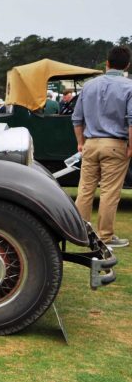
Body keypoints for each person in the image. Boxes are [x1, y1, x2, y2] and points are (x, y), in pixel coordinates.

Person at [72, 45, 132, 249]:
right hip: (115, 143)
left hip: (90, 142)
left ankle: (79, 232)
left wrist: (80, 142)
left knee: (85, 189)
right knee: (109, 192)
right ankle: (105, 236)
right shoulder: (129, 86)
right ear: (127, 65)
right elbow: (131, 120)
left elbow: (76, 118)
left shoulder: (88, 86)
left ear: (106, 63)